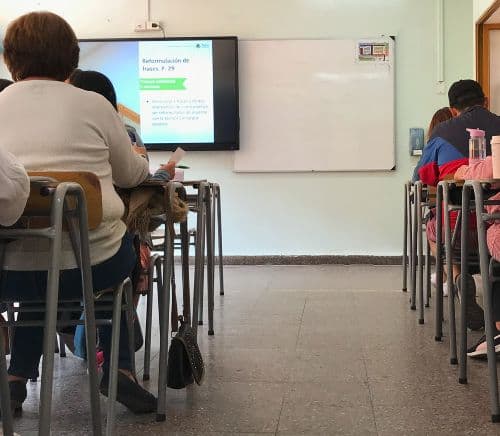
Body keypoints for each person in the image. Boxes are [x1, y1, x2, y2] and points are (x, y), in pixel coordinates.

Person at [0, 11, 161, 415]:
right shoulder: (94, 105)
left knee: (39, 280)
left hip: (8, 268)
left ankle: (16, 378)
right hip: (93, 263)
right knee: (124, 255)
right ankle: (118, 370)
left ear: (8, 59)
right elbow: (130, 172)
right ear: (73, 59)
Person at [413, 79, 500, 331]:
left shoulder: (441, 132)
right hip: (494, 227)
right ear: (485, 102)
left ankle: (457, 276)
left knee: (436, 228)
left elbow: (420, 178)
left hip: (458, 232)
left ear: (452, 109)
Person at [424, 107, 454, 296]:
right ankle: (449, 276)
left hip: (448, 220)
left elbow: (421, 177)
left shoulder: (435, 145)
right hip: (480, 219)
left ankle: (445, 274)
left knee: (432, 224)